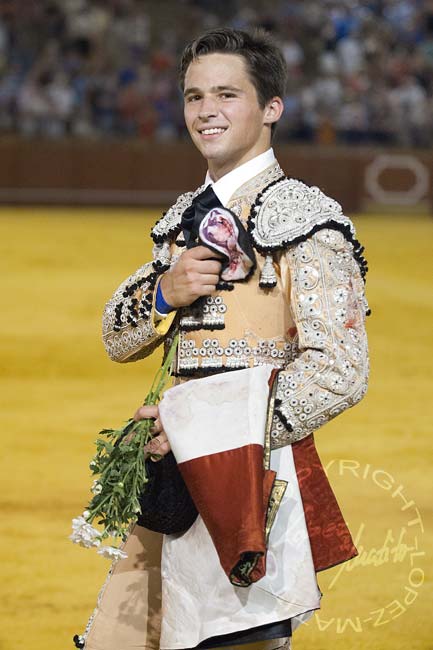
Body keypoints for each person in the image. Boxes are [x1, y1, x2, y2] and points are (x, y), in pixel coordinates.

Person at [80, 27, 369, 650]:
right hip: (175, 483)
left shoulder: (304, 218)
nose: (205, 110)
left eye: (227, 95)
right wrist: (165, 293)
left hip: (254, 483)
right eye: (193, 96)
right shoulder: (183, 220)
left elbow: (338, 371)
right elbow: (115, 335)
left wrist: (199, 430)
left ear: (271, 108)